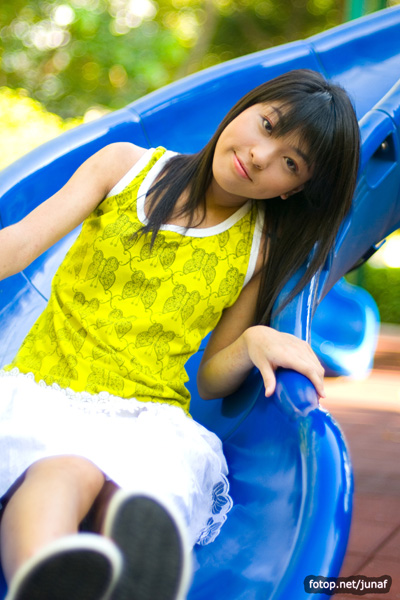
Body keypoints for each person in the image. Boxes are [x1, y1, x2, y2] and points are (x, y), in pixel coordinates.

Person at [0, 68, 360, 600]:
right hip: (47, 390)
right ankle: (44, 577)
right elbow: (18, 244)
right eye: (267, 125)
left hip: (147, 417)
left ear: (296, 189)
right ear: (245, 107)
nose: (261, 155)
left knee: (142, 489)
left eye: (291, 163)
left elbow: (212, 378)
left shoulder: (258, 247)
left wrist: (252, 341)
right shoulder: (124, 167)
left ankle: (134, 570)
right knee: (64, 469)